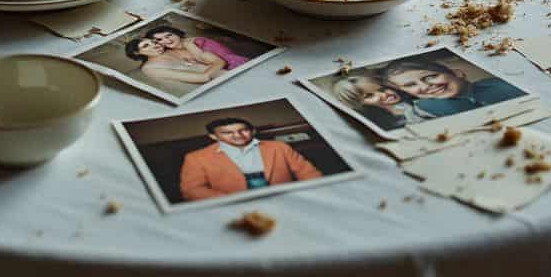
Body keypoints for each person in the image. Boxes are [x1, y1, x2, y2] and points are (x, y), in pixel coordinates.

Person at [179, 117, 322, 201]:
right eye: (227, 133)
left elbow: (308, 173)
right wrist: (235, 202)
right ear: (213, 136)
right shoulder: (196, 158)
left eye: (243, 130)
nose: (238, 135)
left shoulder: (279, 147)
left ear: (253, 131)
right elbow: (192, 190)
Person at [382, 58, 526, 117]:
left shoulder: (502, 85)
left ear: (457, 73)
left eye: (430, 77)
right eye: (410, 85)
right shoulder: (423, 109)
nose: (425, 86)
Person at [331, 74, 431, 131]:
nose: (384, 95)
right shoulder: (376, 122)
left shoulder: (415, 100)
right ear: (358, 104)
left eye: (383, 89)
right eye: (370, 96)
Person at [124, 37, 226, 85]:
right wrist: (218, 63)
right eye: (146, 46)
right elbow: (203, 77)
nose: (155, 45)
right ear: (137, 53)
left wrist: (189, 44)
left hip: (225, 73)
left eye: (154, 42)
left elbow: (215, 60)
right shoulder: (150, 68)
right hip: (215, 84)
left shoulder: (170, 50)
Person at [148, 25, 249, 70]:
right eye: (160, 40)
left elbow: (205, 60)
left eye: (168, 35)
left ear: (177, 34)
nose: (166, 40)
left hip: (235, 65)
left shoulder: (193, 42)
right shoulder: (174, 52)